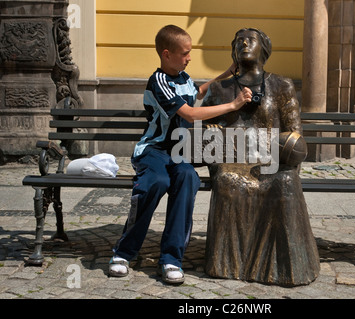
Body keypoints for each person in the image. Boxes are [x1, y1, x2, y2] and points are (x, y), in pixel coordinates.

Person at [109, 25, 252, 284]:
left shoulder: (182, 77)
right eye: (185, 53)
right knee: (157, 182)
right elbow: (189, 113)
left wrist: (229, 72)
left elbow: (198, 92)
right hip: (153, 151)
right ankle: (123, 253)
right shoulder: (159, 81)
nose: (189, 58)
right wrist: (233, 104)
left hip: (178, 151)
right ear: (167, 54)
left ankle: (171, 259)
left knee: (187, 177)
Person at [201, 28, 320, 286]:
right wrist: (211, 132)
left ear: (264, 49)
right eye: (239, 40)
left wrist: (280, 147)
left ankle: (290, 268)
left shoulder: (281, 85)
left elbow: (295, 135)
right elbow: (199, 129)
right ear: (233, 51)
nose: (244, 43)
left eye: (251, 39)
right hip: (230, 160)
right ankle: (227, 265)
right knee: (227, 181)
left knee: (285, 182)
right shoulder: (220, 89)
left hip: (272, 159)